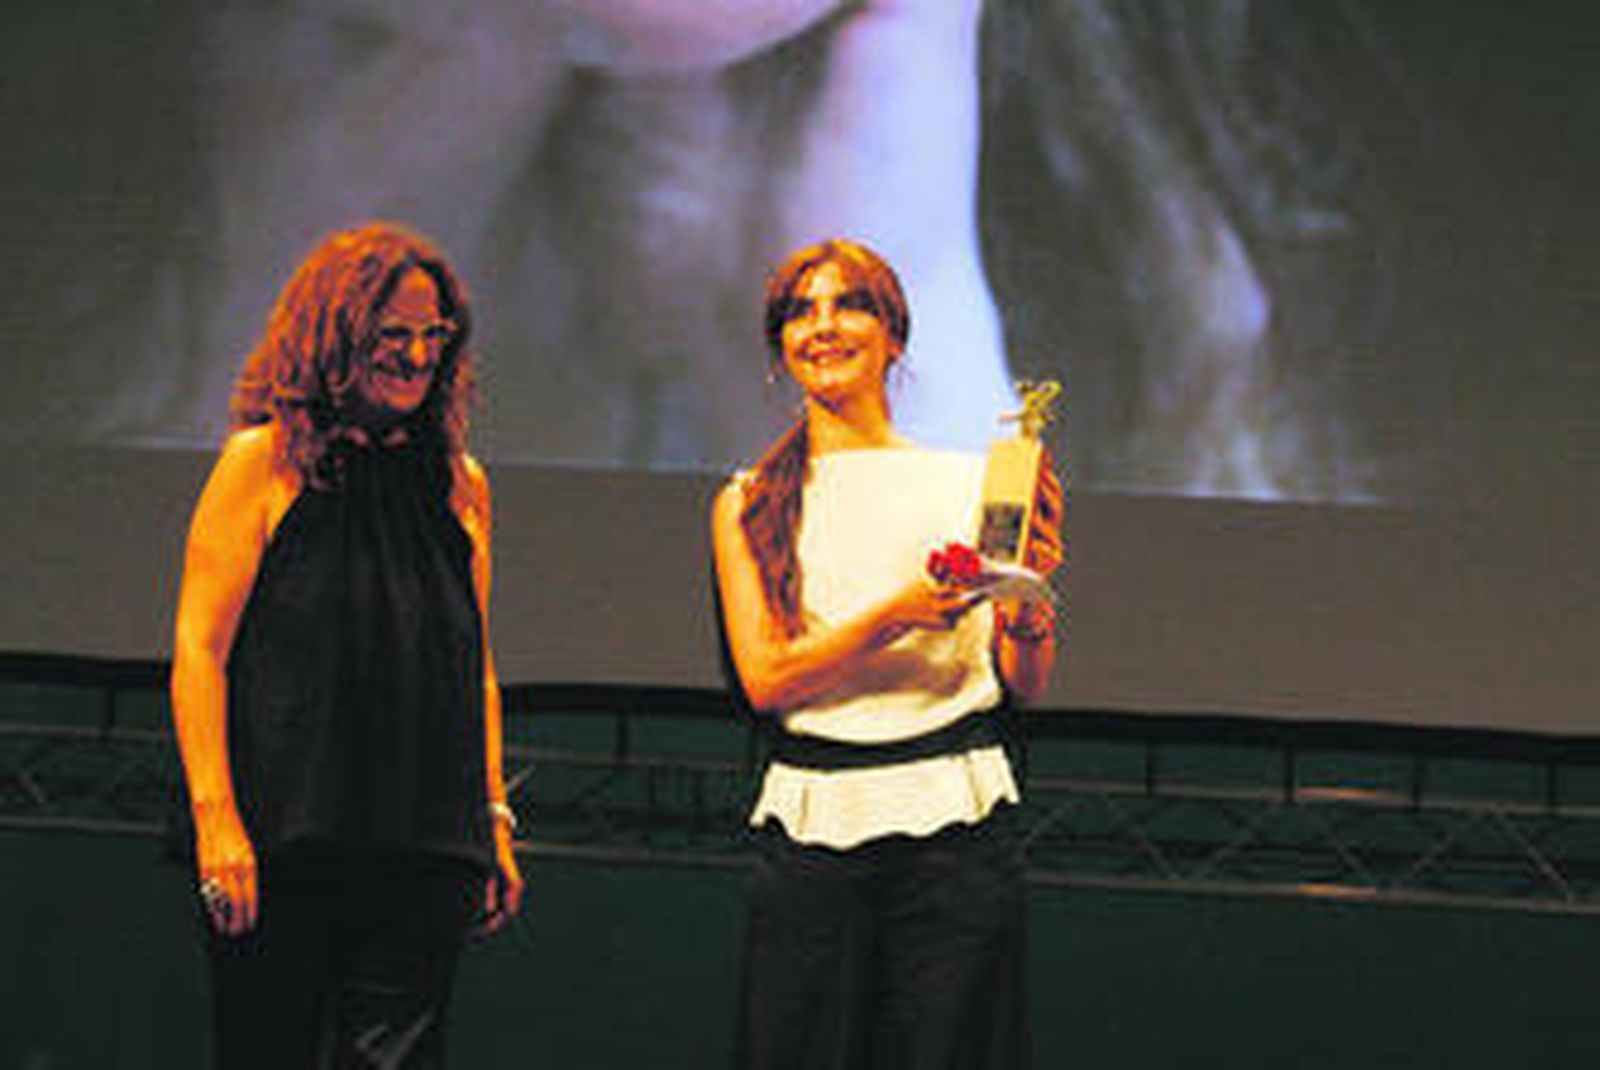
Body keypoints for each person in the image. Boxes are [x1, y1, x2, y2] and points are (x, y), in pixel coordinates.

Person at [169, 221, 524, 1068]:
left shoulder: (460, 484)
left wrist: (493, 817)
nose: (416, 355)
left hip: (424, 841)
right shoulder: (261, 464)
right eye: (391, 335)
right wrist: (217, 822)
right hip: (284, 836)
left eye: (432, 335)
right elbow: (199, 650)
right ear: (335, 334)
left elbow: (472, 669)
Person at [711, 238, 1063, 1069]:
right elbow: (765, 678)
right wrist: (894, 616)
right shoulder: (749, 502)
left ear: (893, 337)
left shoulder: (972, 482)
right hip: (812, 833)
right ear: (781, 347)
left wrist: (1029, 603)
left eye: (850, 305)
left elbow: (1021, 684)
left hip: (956, 834)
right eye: (802, 312)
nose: (824, 326)